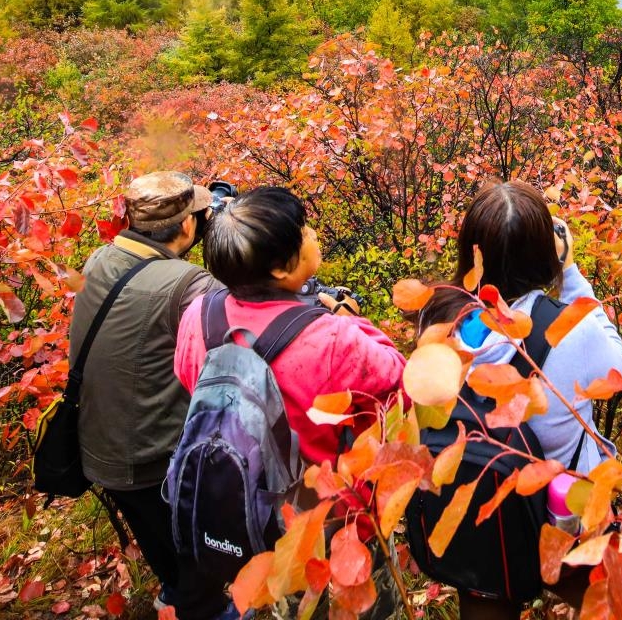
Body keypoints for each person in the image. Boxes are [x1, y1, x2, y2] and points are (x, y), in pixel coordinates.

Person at [172, 186, 407, 614]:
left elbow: (188, 380)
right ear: (281, 269)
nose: (313, 233)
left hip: (250, 508)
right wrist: (351, 321)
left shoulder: (199, 316)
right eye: (304, 230)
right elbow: (400, 382)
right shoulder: (331, 337)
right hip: (333, 519)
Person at [419, 181, 622, 619]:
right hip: (563, 517)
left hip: (480, 517)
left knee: (487, 592)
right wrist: (569, 271)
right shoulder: (569, 331)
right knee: (610, 604)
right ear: (545, 255)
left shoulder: (439, 323)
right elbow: (618, 366)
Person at [69, 171, 223, 618]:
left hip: (98, 449)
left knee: (162, 545)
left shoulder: (100, 258)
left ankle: (174, 592)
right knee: (195, 562)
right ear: (188, 226)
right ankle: (200, 605)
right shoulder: (187, 283)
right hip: (154, 459)